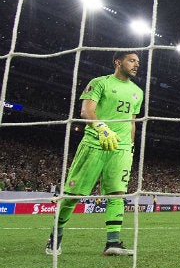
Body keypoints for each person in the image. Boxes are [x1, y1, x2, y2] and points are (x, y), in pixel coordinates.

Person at [45, 51, 143, 256]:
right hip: (95, 142)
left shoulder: (137, 92)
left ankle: (112, 243)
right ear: (118, 62)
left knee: (117, 193)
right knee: (74, 195)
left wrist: (131, 146)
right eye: (131, 60)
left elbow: (132, 122)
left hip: (122, 148)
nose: (136, 65)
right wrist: (102, 128)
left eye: (138, 62)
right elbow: (86, 111)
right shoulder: (99, 83)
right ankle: (56, 236)